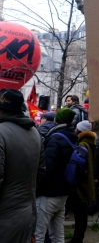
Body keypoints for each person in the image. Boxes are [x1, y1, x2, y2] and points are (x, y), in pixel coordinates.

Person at [0, 88, 45, 243]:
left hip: (5, 217)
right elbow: (41, 173)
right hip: (27, 214)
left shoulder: (1, 133)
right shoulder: (35, 133)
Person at [34, 107, 78, 243]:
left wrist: (38, 189)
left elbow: (48, 168)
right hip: (63, 192)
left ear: (57, 120)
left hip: (49, 193)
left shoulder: (55, 139)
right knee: (58, 234)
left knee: (38, 234)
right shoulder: (72, 136)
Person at [68, 120, 97, 243]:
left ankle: (77, 239)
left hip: (81, 184)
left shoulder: (82, 144)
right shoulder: (90, 143)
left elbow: (77, 166)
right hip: (87, 183)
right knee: (82, 213)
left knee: (80, 214)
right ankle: (78, 237)